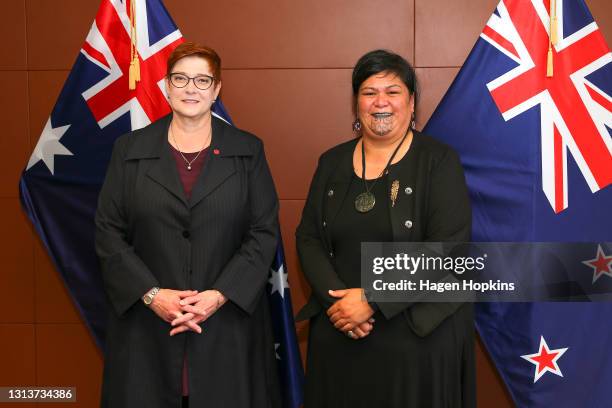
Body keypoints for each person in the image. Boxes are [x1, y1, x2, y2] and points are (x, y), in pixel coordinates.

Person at [95, 42, 281, 408]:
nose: (190, 88)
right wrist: (152, 294)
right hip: (147, 325)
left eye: (202, 80)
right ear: (166, 85)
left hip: (226, 323)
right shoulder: (129, 149)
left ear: (216, 90)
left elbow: (263, 231)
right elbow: (107, 230)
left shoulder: (248, 150)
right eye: (181, 78)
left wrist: (217, 295)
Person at [296, 49, 475, 407]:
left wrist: (372, 299)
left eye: (393, 92)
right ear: (356, 103)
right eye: (369, 92)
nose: (381, 102)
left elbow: (447, 247)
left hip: (417, 330)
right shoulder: (331, 162)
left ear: (412, 104)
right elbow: (309, 237)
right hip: (342, 325)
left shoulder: (438, 161)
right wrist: (342, 303)